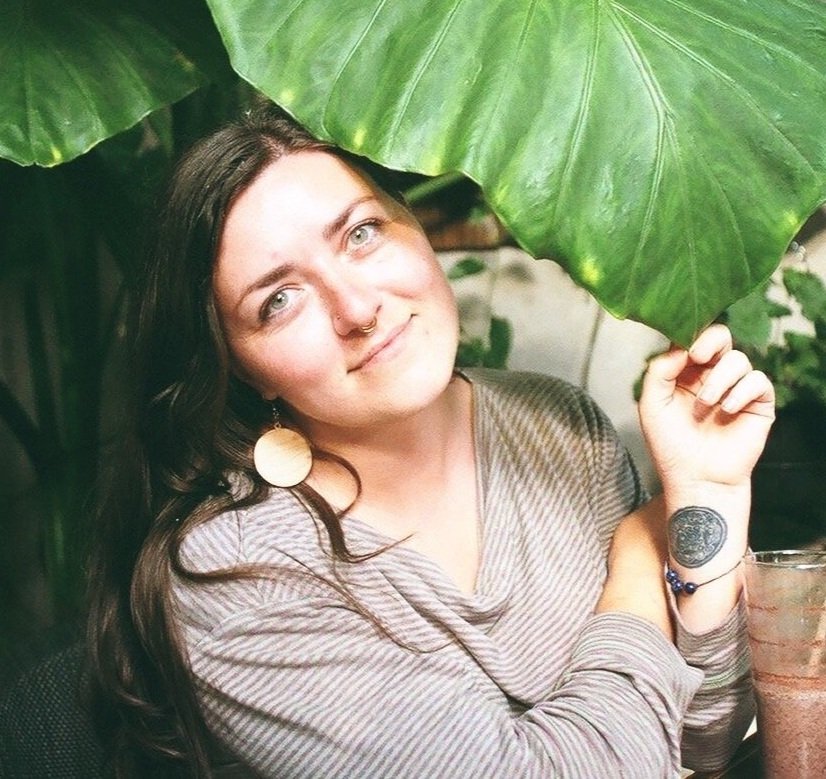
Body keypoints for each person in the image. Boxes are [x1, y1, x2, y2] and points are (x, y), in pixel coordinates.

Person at [87, 102, 775, 779]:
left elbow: (702, 740)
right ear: (238, 364)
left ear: (415, 224)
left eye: (361, 234)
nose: (358, 310)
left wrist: (703, 497)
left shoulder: (561, 427)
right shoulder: (236, 570)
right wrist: (635, 565)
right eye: (278, 301)